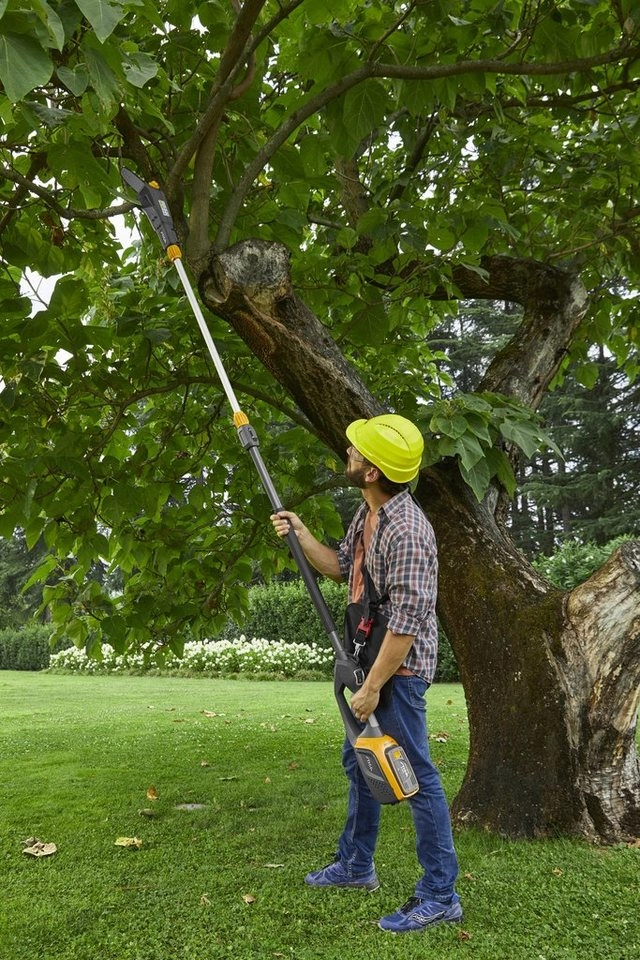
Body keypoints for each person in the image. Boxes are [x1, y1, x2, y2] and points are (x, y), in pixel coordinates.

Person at [270, 414, 461, 933]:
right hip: (368, 660)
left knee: (415, 777)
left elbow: (406, 625)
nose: (347, 454)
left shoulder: (408, 531)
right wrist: (303, 535)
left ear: (373, 471)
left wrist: (373, 688)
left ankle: (441, 894)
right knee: (360, 765)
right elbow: (342, 570)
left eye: (356, 451)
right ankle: (356, 866)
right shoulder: (367, 515)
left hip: (396, 670)